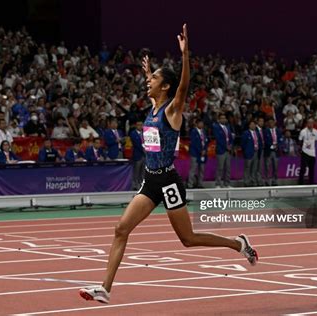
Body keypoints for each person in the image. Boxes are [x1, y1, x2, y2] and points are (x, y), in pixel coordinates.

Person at [79, 25, 257, 304]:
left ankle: (238, 244)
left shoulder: (171, 110)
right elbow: (158, 83)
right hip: (151, 180)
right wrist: (148, 71)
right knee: (120, 229)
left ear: (165, 87)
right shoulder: (151, 106)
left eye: (153, 80)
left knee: (188, 239)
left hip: (169, 181)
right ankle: (105, 288)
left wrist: (186, 56)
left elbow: (182, 86)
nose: (147, 82)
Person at [213, 113, 234, 188]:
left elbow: (230, 138)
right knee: (220, 168)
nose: (223, 119)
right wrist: (226, 146)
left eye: (224, 118)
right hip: (221, 150)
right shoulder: (216, 127)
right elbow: (219, 139)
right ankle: (218, 184)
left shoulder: (227, 127)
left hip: (228, 151)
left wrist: (230, 145)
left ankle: (227, 183)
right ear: (218, 120)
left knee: (228, 167)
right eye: (221, 118)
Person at [187, 118, 208, 188]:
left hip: (202, 154)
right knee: (193, 169)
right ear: (196, 124)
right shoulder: (193, 131)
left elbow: (205, 142)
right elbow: (194, 143)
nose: (201, 124)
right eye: (200, 123)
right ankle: (190, 184)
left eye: (202, 123)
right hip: (195, 153)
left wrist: (204, 150)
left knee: (201, 169)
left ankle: (200, 184)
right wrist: (200, 151)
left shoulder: (204, 132)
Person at [298, 118, 317, 185]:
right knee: (303, 168)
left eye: (312, 123)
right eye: (309, 123)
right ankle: (300, 182)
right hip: (305, 152)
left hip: (312, 153)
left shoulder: (315, 131)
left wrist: (313, 148)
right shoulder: (303, 131)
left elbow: (316, 141)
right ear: (307, 123)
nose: (310, 124)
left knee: (312, 169)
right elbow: (300, 141)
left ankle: (311, 183)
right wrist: (302, 149)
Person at [242, 120, 260, 187]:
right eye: (251, 124)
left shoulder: (257, 133)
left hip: (256, 152)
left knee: (254, 168)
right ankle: (246, 182)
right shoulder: (246, 133)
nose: (253, 126)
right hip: (249, 153)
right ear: (249, 126)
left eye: (254, 124)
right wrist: (246, 152)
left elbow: (259, 142)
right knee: (247, 168)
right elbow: (243, 144)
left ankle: (253, 181)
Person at [264, 118, 282, 186]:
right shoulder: (265, 131)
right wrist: (271, 146)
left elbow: (280, 139)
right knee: (267, 167)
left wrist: (277, 146)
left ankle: (275, 181)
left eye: (272, 122)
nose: (271, 124)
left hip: (276, 151)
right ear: (268, 123)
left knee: (275, 167)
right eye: (270, 122)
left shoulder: (278, 131)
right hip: (268, 151)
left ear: (274, 123)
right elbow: (266, 141)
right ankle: (267, 180)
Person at [129, 120, 145, 190]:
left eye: (141, 125)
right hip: (138, 155)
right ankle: (135, 185)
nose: (140, 126)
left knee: (143, 171)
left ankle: (142, 185)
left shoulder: (145, 133)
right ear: (136, 125)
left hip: (144, 155)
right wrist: (143, 150)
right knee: (136, 171)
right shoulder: (133, 133)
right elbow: (137, 144)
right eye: (138, 125)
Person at [254, 116, 265, 186]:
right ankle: (254, 180)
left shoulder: (263, 130)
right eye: (260, 121)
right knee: (255, 166)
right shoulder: (255, 130)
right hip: (256, 151)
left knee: (260, 166)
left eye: (263, 121)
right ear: (257, 122)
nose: (262, 122)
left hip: (262, 150)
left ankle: (259, 180)